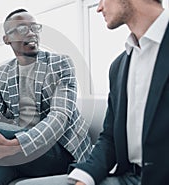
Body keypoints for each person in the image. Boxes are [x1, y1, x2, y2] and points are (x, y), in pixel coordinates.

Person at [18, 0, 169, 185]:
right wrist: (85, 178)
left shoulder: (58, 65)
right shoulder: (119, 66)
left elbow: (59, 117)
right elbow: (109, 138)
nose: (98, 8)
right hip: (128, 177)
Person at [0, 9, 92, 185]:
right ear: (6, 39)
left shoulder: (60, 63)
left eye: (35, 28)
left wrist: (13, 146)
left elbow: (59, 117)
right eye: (21, 29)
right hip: (21, 153)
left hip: (61, 148)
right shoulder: (3, 73)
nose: (31, 33)